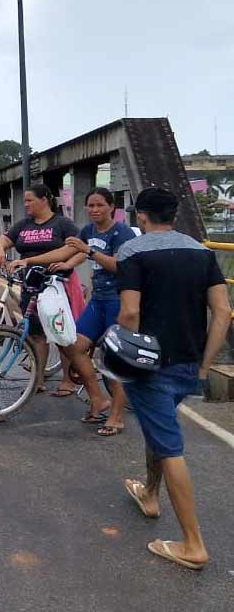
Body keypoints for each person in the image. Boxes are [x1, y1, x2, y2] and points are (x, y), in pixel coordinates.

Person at [115, 187, 228, 571]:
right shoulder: (202, 252)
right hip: (188, 363)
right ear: (174, 216)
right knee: (158, 428)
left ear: (141, 216)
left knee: (169, 447)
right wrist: (204, 366)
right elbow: (222, 312)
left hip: (150, 367)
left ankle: (193, 544)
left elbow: (130, 313)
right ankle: (150, 494)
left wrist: (119, 353)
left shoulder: (133, 251)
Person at [0, 183, 82, 397]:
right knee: (35, 334)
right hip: (30, 285)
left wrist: (33, 260)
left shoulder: (62, 224)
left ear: (44, 200)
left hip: (56, 285)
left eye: (29, 200)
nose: (26, 205)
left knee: (60, 333)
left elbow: (76, 249)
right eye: (24, 200)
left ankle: (68, 380)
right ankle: (38, 379)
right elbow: (5, 239)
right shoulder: (24, 224)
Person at [60, 188, 135, 436]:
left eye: (100, 205)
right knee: (73, 346)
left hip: (118, 300)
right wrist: (33, 261)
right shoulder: (88, 231)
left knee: (114, 360)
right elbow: (69, 251)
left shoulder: (122, 233)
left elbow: (119, 266)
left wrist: (89, 251)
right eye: (90, 205)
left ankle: (116, 416)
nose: (94, 210)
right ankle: (98, 399)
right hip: (98, 299)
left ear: (111, 207)